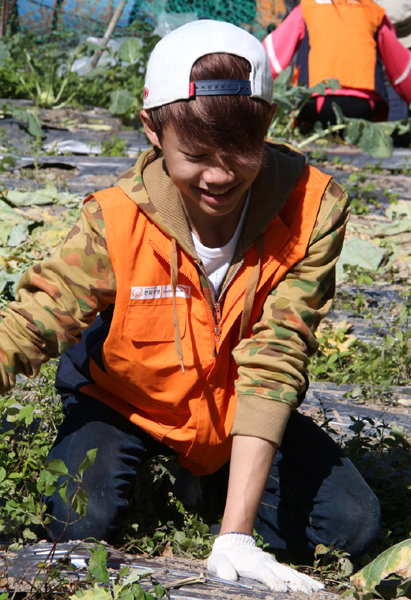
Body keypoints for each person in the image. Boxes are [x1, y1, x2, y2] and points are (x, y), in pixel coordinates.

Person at [0, 19, 381, 593]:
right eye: (197, 155)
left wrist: (235, 535)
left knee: (352, 528)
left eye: (240, 153)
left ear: (269, 126)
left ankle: (213, 493)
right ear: (152, 130)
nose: (220, 175)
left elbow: (276, 356)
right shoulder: (117, 218)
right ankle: (168, 469)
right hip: (126, 400)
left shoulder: (312, 209)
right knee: (78, 521)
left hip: (233, 415)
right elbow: (33, 320)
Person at [263, 0, 411, 127]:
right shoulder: (373, 10)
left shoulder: (306, 7)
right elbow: (403, 69)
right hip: (365, 105)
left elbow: (272, 55)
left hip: (316, 102)